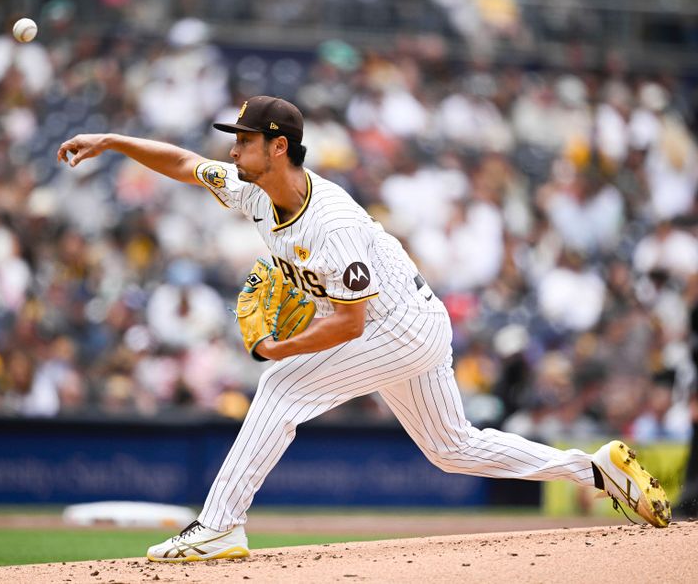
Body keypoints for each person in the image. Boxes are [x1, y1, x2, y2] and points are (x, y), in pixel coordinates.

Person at [57, 95, 671, 563]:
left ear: (278, 146)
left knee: (281, 388)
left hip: (397, 325)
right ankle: (594, 469)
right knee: (451, 448)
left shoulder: (332, 224)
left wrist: (280, 348)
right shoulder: (251, 189)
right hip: (408, 321)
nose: (232, 149)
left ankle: (220, 524)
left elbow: (348, 324)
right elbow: (187, 165)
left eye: (244, 139)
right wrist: (111, 140)